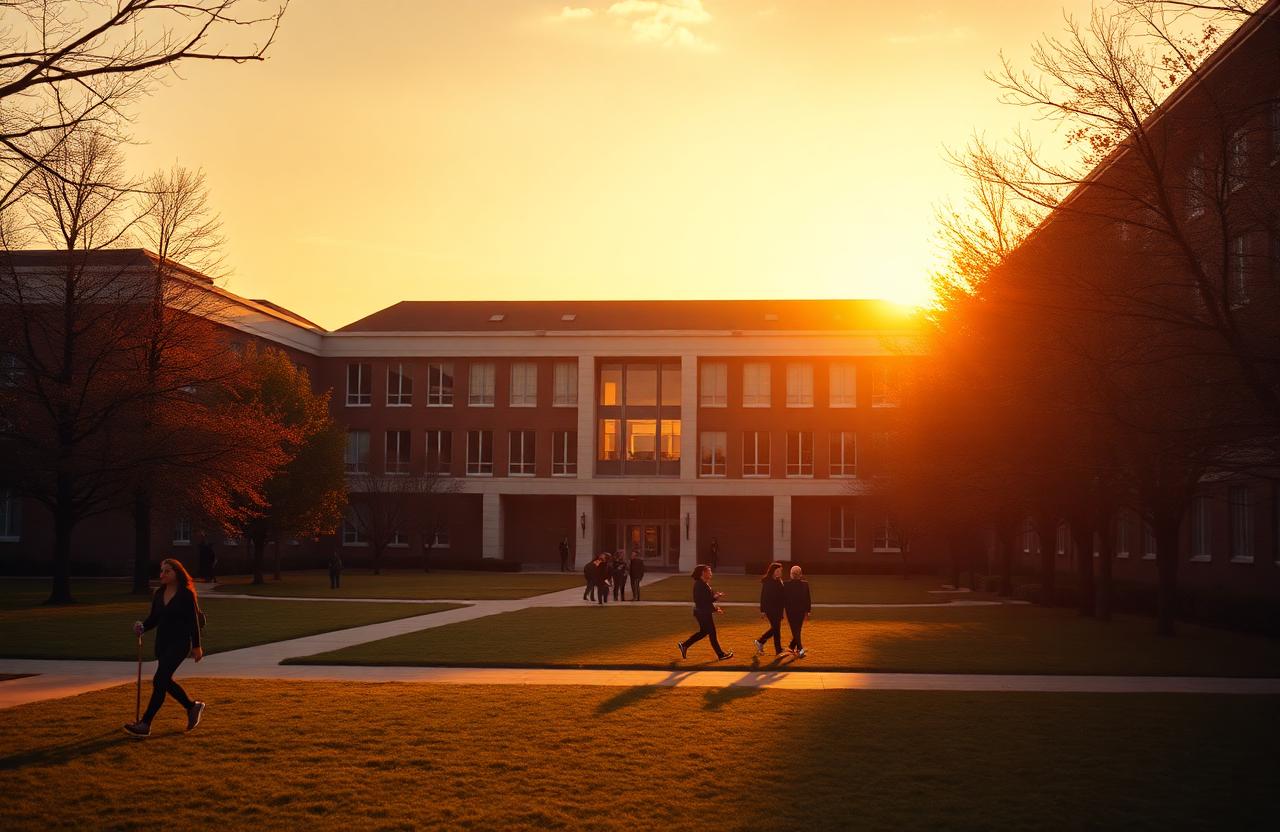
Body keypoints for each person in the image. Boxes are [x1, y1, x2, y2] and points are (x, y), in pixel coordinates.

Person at [124, 558, 206, 738]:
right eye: (161, 571)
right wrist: (142, 626)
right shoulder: (159, 592)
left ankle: (145, 724)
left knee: (159, 679)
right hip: (162, 643)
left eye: (167, 571)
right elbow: (154, 618)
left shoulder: (186, 594)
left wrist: (197, 646)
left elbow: (193, 622)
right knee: (164, 680)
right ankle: (193, 707)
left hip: (180, 643)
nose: (162, 574)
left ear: (177, 573)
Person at [676, 564, 733, 661]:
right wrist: (715, 599)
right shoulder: (699, 585)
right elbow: (702, 601)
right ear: (703, 573)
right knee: (712, 634)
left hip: (702, 612)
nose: (711, 573)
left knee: (703, 632)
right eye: (709, 571)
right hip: (703, 613)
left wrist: (715, 602)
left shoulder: (703, 584)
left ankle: (684, 645)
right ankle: (721, 655)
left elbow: (706, 600)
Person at [753, 561, 786, 656]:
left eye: (780, 571)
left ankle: (761, 641)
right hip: (771, 609)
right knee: (776, 629)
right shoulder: (768, 582)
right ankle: (778, 649)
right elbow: (763, 597)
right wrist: (762, 610)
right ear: (773, 571)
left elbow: (782, 594)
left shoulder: (779, 580)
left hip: (778, 609)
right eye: (778, 571)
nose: (779, 573)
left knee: (775, 628)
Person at [783, 565, 812, 657]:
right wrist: (808, 611)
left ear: (791, 574)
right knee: (797, 630)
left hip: (790, 611)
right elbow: (808, 598)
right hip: (800, 611)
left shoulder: (786, 584)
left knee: (795, 630)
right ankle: (796, 647)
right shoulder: (805, 584)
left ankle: (798, 648)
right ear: (801, 574)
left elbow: (783, 599)